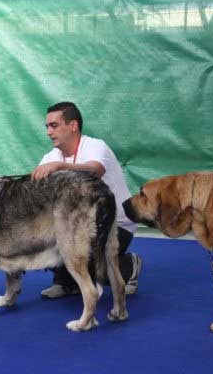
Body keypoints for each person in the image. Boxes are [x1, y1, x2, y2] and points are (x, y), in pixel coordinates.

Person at [32, 101, 143, 298]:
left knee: (95, 269)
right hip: (78, 225)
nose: (49, 132)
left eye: (54, 125)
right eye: (47, 127)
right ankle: (66, 282)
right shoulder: (50, 157)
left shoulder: (95, 146)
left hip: (116, 225)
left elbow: (94, 171)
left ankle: (128, 266)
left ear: (73, 126)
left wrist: (59, 167)